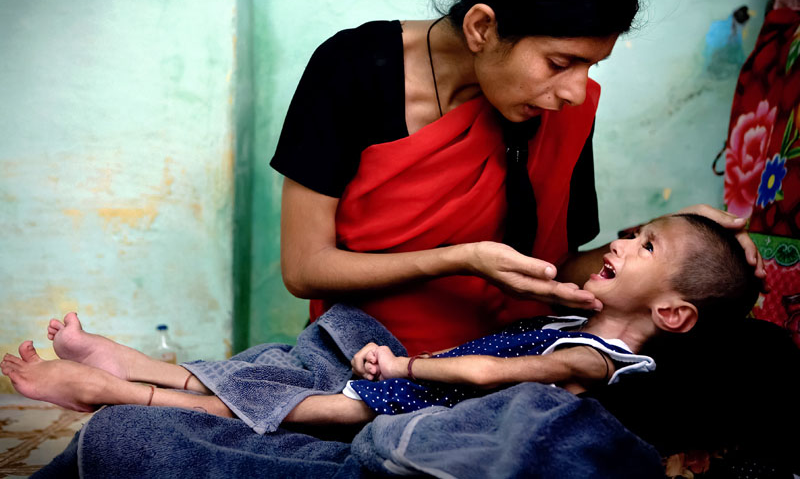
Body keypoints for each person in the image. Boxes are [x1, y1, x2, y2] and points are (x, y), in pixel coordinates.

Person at [269, 0, 765, 358]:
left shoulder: (561, 108)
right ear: (482, 28)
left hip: (514, 360)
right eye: (560, 63)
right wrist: (459, 260)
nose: (576, 91)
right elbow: (305, 267)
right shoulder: (352, 69)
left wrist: (675, 241)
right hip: (365, 358)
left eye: (591, 66)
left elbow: (556, 267)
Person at [0, 214, 760, 426]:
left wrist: (402, 366)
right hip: (416, 386)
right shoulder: (584, 323)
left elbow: (487, 371)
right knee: (267, 382)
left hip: (413, 401)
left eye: (646, 245)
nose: (620, 244)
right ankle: (123, 360)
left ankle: (112, 388)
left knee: (274, 407)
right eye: (633, 232)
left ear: (672, 313)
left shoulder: (598, 359)